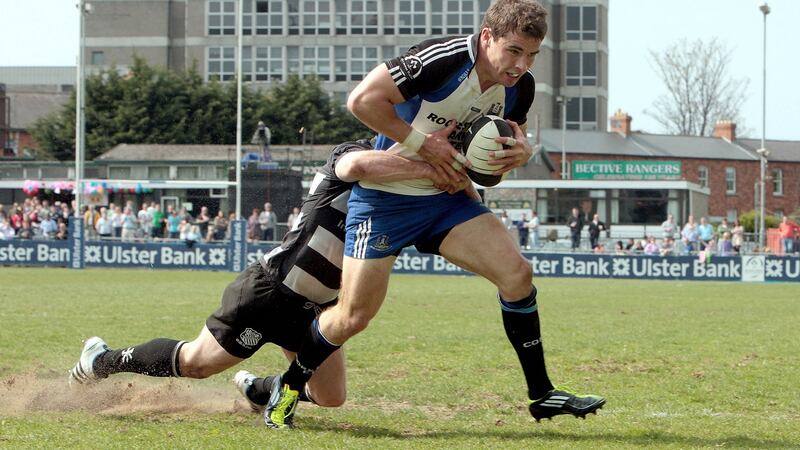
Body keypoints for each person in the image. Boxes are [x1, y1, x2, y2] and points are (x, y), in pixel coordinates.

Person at [261, 0, 604, 430]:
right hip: (385, 198)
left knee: (517, 275)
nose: (521, 65)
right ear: (487, 37)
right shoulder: (443, 59)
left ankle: (542, 394)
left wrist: (517, 157)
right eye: (514, 51)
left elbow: (488, 168)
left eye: (532, 55)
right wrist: (424, 144)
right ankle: (288, 386)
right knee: (353, 316)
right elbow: (362, 101)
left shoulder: (521, 88)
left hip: (446, 198)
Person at [67, 141, 444, 416]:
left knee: (331, 396)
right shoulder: (354, 153)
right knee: (198, 363)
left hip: (318, 312)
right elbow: (355, 166)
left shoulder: (406, 197)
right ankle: (102, 359)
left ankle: (258, 389)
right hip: (271, 291)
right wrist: (427, 167)